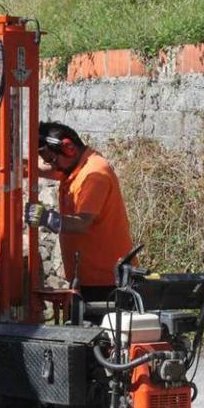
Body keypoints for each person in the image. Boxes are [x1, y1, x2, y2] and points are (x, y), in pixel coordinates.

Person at [24, 122, 134, 303]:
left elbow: (82, 223)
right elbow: (46, 169)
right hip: (87, 278)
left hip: (107, 282)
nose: (52, 166)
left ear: (69, 148)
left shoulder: (94, 175)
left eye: (52, 160)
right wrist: (17, 163)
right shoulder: (74, 167)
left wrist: (46, 218)